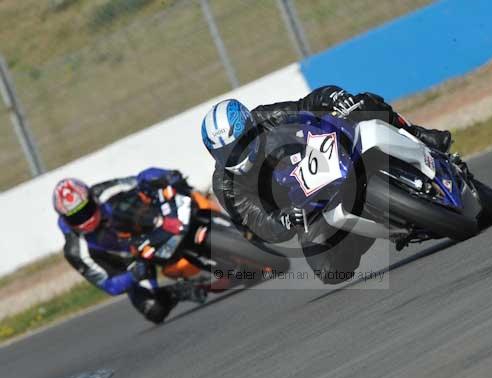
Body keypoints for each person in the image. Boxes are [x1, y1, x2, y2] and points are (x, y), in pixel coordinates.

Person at [201, 86, 452, 284]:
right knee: (330, 272)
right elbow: (256, 222)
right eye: (225, 153)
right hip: (304, 208)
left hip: (323, 158)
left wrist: (333, 96)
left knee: (361, 104)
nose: (235, 155)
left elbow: (305, 105)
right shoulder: (225, 184)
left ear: (249, 126)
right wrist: (285, 220)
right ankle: (367, 226)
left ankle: (419, 135)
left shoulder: (266, 117)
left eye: (239, 143)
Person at [53, 168, 202, 323]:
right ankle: (176, 292)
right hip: (135, 261)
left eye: (86, 209)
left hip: (151, 226)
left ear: (92, 198)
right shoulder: (76, 249)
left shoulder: (106, 192)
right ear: (65, 219)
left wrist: (165, 176)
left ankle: (208, 207)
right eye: (75, 217)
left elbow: (141, 179)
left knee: (175, 186)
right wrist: (134, 273)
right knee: (154, 310)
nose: (85, 217)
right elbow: (109, 284)